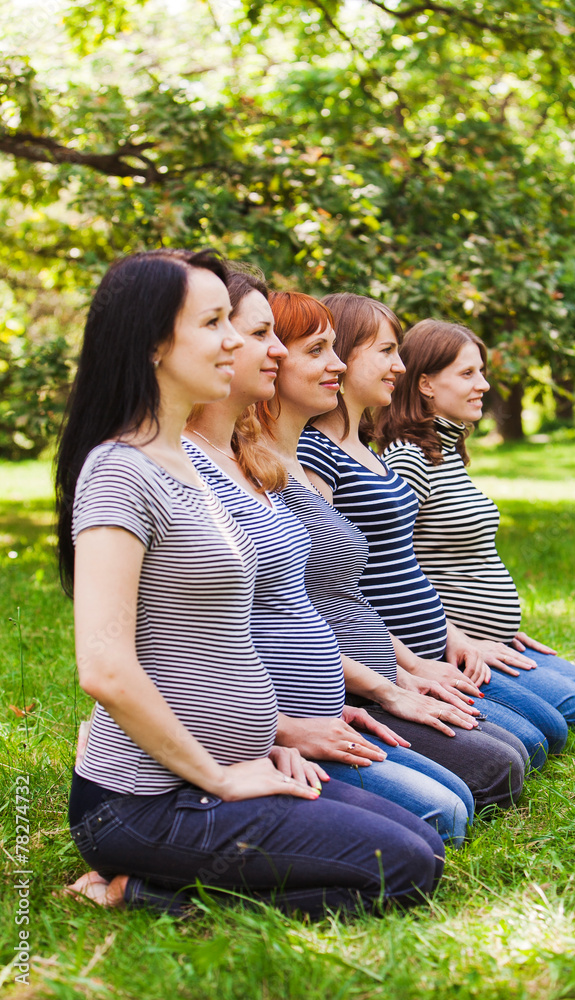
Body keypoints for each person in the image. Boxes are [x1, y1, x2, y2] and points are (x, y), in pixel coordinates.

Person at [54, 249, 444, 918]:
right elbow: (104, 670)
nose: (234, 340)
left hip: (236, 766)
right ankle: (137, 891)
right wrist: (221, 775)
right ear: (151, 343)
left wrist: (268, 738)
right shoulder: (120, 472)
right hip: (146, 800)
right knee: (402, 870)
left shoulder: (191, 464)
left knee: (422, 841)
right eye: (213, 324)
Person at [184, 269, 474, 844]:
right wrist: (277, 734)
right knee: (446, 817)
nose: (336, 366)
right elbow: (186, 646)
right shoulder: (173, 470)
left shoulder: (254, 466)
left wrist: (395, 676)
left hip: (338, 705)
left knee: (463, 801)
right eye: (316, 349)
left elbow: (307, 605)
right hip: (275, 733)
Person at [257, 289, 528, 811]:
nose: (397, 366)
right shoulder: (289, 465)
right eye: (317, 350)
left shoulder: (293, 464)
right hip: (334, 697)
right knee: (475, 791)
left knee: (519, 752)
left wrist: (404, 673)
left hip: (377, 675)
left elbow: (348, 598)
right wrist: (385, 688)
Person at [297, 292, 575, 763]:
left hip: (437, 647)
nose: (400, 366)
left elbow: (402, 563)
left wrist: (459, 637)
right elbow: (337, 588)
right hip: (393, 662)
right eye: (387, 351)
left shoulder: (371, 452)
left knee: (553, 723)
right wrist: (408, 665)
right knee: (535, 739)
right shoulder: (321, 455)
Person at [374, 318, 575, 711]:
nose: (483, 385)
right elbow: (389, 569)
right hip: (455, 649)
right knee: (574, 703)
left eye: (481, 371)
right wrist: (465, 638)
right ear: (426, 384)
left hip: (491, 640)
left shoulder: (445, 453)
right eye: (467, 373)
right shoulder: (410, 459)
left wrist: (500, 629)